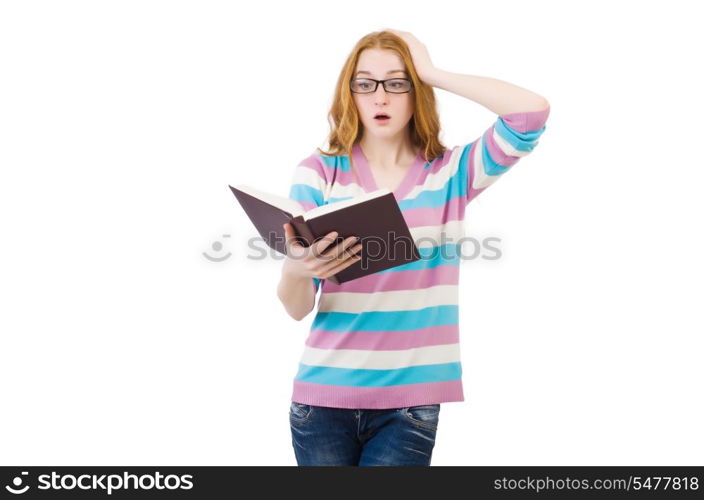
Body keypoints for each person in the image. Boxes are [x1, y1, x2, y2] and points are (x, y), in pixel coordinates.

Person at [277, 28, 550, 466]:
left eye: (397, 82)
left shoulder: (451, 172)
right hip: (321, 400)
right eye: (365, 83)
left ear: (415, 92)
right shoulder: (318, 172)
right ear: (350, 93)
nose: (380, 97)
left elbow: (530, 114)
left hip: (409, 406)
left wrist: (433, 72)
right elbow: (295, 307)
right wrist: (295, 269)